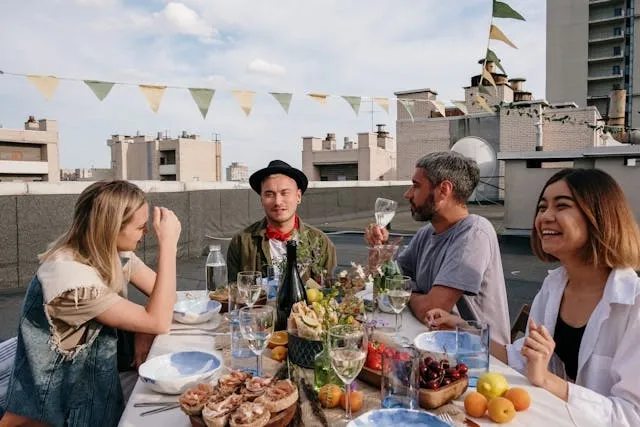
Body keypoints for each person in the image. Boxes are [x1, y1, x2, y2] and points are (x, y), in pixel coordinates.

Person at [428, 168, 640, 425]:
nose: (545, 217)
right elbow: (522, 357)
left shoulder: (634, 305)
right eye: (542, 207)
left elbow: (631, 415)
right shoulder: (554, 287)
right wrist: (463, 328)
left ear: (600, 216)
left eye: (562, 206)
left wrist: (547, 380)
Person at [0, 180, 181, 427]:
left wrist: (142, 328)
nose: (147, 232)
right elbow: (159, 320)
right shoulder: (71, 279)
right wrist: (168, 246)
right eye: (140, 227)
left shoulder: (108, 253)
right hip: (62, 412)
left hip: (95, 385)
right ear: (112, 228)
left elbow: (167, 298)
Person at [365, 151, 510, 345]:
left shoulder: (475, 232)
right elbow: (388, 283)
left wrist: (406, 293)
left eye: (416, 186)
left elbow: (430, 310)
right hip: (436, 342)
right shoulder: (427, 233)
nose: (407, 194)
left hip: (479, 356)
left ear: (444, 190)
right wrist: (380, 250)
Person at [227, 160, 336, 283]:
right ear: (261, 199)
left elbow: (329, 292)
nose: (278, 202)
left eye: (285, 193)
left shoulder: (320, 242)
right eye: (269, 194)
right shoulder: (241, 242)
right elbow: (233, 293)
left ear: (298, 197)